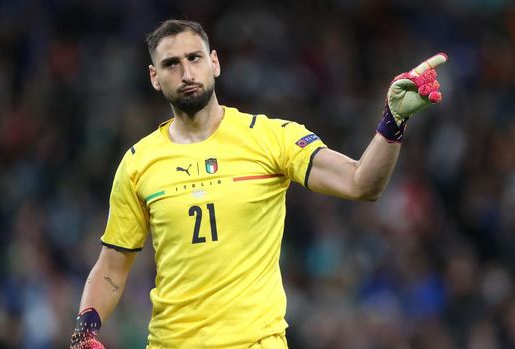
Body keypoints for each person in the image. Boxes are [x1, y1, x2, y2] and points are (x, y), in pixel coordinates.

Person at [69, 19, 447, 349]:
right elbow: (112, 266)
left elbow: (360, 182)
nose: (186, 72)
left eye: (194, 58)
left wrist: (392, 121)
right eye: (171, 63)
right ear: (154, 77)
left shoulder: (270, 137)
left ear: (214, 63)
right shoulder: (138, 163)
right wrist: (86, 327)